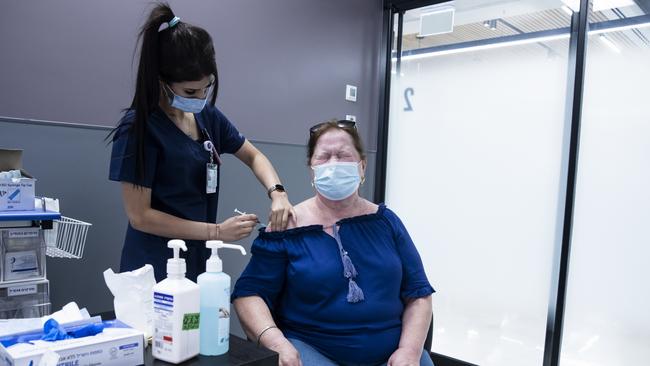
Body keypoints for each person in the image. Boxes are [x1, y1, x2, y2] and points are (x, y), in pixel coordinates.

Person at [109, 3, 294, 282]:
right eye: (190, 91)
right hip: (153, 267)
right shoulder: (138, 128)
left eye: (206, 88)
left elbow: (253, 156)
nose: (199, 98)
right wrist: (217, 232)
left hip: (198, 262)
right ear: (161, 80)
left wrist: (278, 192)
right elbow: (140, 216)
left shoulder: (206, 116)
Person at [232, 120, 435, 366]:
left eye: (343, 155)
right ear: (311, 170)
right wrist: (277, 343)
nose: (334, 164)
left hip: (393, 354)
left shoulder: (386, 222)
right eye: (324, 157)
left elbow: (419, 293)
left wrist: (410, 350)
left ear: (362, 167)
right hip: (313, 349)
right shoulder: (286, 227)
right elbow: (249, 294)